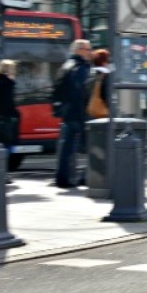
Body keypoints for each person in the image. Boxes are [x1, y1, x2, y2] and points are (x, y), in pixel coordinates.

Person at [52, 39, 93, 188]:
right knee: (92, 146)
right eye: (87, 49)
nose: (90, 52)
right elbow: (80, 92)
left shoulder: (65, 66)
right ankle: (84, 177)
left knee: (67, 147)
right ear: (79, 50)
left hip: (67, 112)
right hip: (78, 113)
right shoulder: (80, 68)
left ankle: (64, 178)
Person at [0, 59, 20, 149]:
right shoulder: (7, 84)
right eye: (12, 69)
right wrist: (16, 114)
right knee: (9, 144)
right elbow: (8, 102)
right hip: (7, 119)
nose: (14, 71)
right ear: (8, 70)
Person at [87, 49, 112, 120]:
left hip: (89, 115)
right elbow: (107, 97)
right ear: (104, 62)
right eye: (108, 61)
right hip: (102, 117)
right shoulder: (105, 76)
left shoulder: (89, 74)